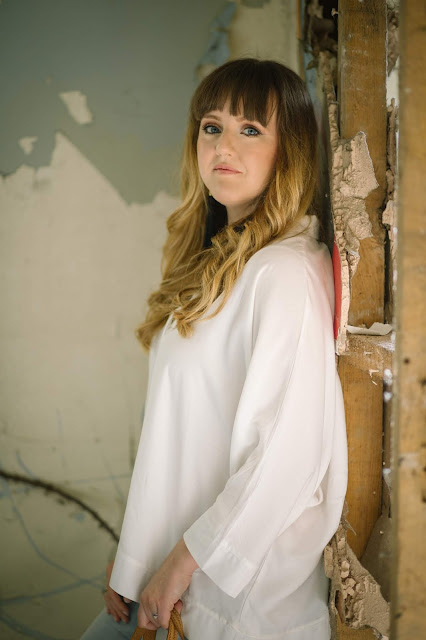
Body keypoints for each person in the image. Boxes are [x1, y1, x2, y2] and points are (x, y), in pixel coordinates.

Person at [80, 57, 348, 640]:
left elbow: (288, 455)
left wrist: (178, 564)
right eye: (212, 126)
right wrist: (136, 557)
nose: (224, 145)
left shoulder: (284, 274)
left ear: (289, 149)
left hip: (236, 607)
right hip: (167, 585)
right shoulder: (219, 264)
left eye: (250, 129)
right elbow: (178, 436)